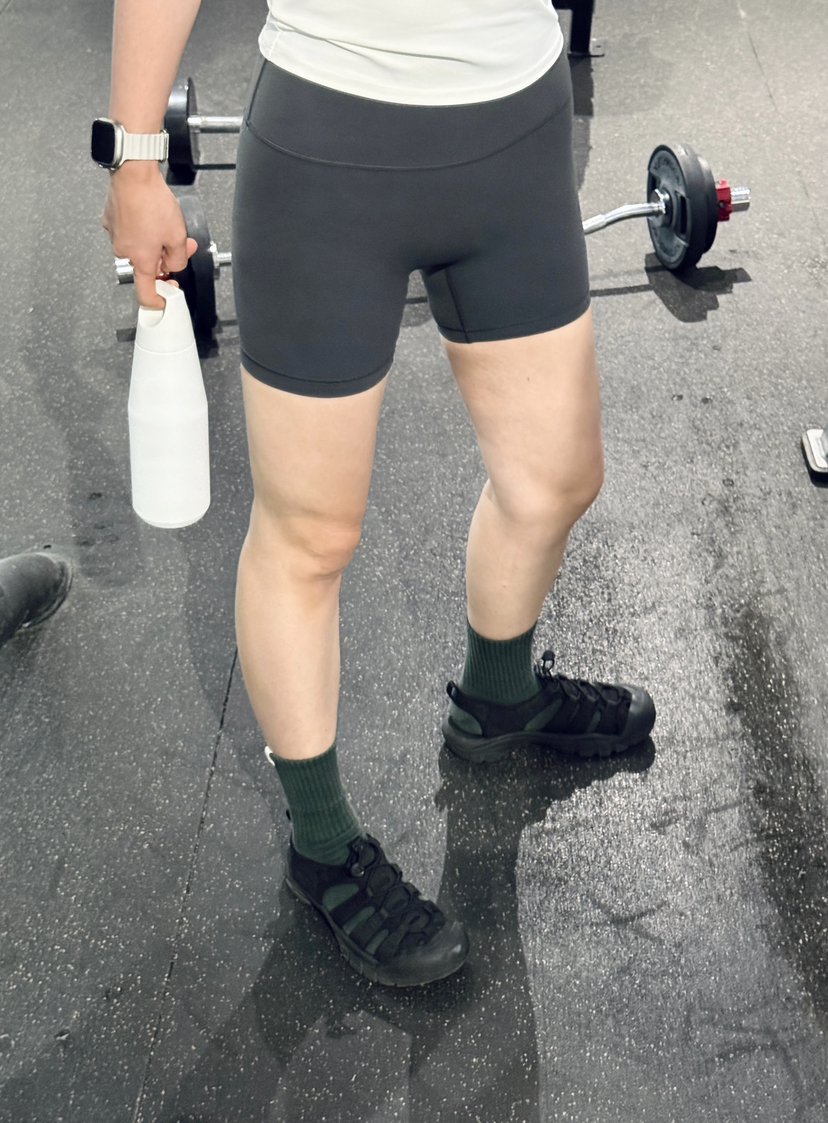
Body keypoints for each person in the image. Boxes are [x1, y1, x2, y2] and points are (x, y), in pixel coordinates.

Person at [96, 0, 656, 990]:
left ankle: (500, 696)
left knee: (556, 482)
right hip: (333, 142)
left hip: (518, 125)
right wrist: (137, 163)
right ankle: (322, 843)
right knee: (309, 534)